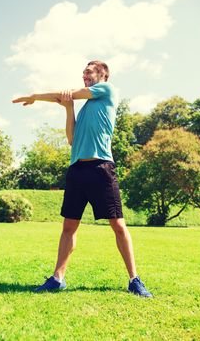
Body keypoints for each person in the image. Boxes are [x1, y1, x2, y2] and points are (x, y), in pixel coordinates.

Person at [12, 60, 153, 297]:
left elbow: (67, 94)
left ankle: (134, 280)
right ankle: (58, 279)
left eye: (88, 72)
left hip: (101, 168)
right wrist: (69, 108)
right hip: (77, 169)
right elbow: (71, 139)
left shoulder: (107, 91)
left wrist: (36, 96)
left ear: (103, 75)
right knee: (69, 226)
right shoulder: (87, 106)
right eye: (83, 73)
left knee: (118, 225)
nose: (84, 75)